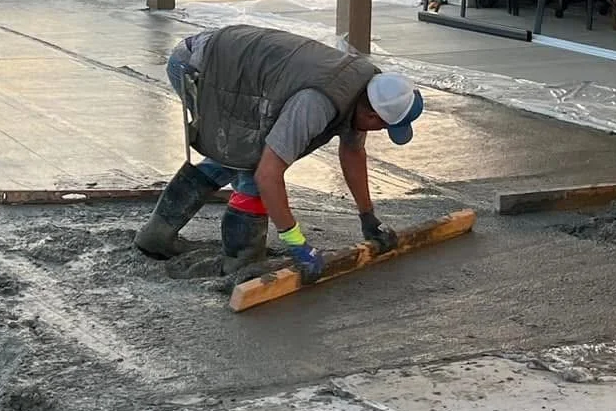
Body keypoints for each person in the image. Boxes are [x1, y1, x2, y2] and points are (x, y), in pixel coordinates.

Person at [135, 24, 423, 278]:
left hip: (228, 64)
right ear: (372, 115)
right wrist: (296, 243)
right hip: (201, 67)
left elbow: (352, 153)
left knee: (235, 154)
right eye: (384, 127)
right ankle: (240, 260)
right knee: (250, 161)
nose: (379, 132)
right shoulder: (317, 103)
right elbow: (268, 174)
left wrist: (368, 217)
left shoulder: (365, 89)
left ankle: (157, 234)